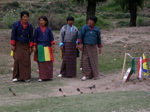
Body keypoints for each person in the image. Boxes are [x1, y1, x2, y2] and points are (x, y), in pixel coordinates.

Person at [11, 11, 33, 82]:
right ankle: (16, 76)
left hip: (26, 44)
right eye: (24, 17)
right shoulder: (16, 24)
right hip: (18, 44)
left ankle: (26, 77)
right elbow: (13, 35)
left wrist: (30, 47)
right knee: (17, 59)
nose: (25, 18)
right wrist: (13, 45)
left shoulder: (30, 26)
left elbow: (31, 37)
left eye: (27, 17)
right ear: (21, 17)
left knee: (26, 60)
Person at [78, 16, 102, 81]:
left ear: (94, 22)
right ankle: (85, 75)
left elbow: (99, 39)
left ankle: (94, 75)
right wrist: (80, 44)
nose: (89, 22)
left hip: (93, 47)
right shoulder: (84, 28)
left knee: (93, 61)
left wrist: (100, 47)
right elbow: (80, 36)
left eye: (91, 21)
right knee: (85, 60)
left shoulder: (96, 30)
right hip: (86, 46)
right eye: (89, 20)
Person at [33, 16, 55, 82]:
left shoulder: (48, 29)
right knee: (41, 63)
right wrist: (34, 46)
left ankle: (48, 76)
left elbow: (51, 38)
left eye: (42, 20)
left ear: (45, 22)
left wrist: (53, 46)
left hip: (47, 47)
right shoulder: (37, 30)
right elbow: (34, 39)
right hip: (40, 47)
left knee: (48, 62)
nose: (41, 22)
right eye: (40, 20)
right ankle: (41, 76)